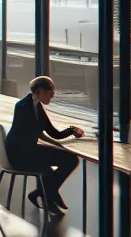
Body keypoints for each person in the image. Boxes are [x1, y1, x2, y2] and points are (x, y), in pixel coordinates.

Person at [5, 75, 85, 214]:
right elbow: (33, 133)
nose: (51, 97)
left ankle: (43, 193)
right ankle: (48, 196)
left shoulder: (37, 106)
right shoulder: (22, 107)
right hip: (18, 155)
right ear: (40, 91)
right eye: (50, 93)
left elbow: (53, 133)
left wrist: (71, 130)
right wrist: (53, 145)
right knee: (53, 168)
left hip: (29, 151)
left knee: (71, 159)